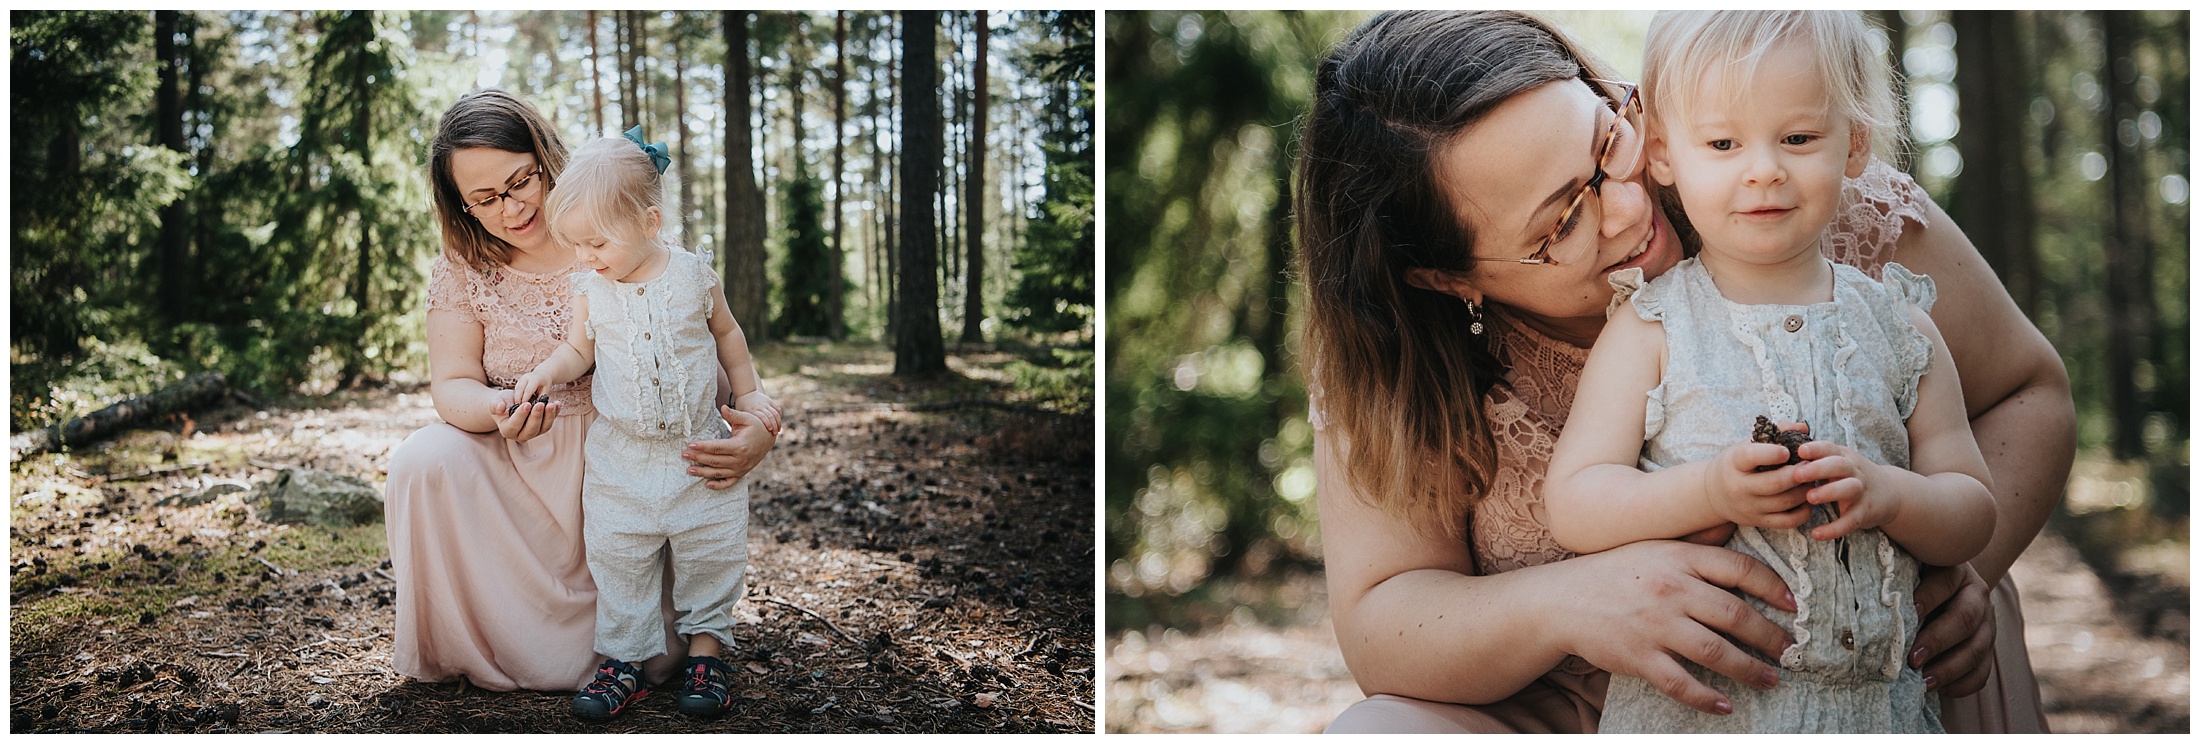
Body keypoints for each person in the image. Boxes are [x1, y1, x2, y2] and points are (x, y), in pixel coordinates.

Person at [1296, 10, 2072, 734]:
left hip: (1879, 666)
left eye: (1608, 140)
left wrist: (1949, 563)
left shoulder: (1799, 193)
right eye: (1563, 221)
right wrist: (1568, 604)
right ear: (1447, 279)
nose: (1630, 205)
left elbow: (2029, 391)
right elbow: (1382, 621)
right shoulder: (1396, 360)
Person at [1541, 11, 1995, 732]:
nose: (1763, 169)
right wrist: (1711, 489)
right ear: (1661, 153)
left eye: (1798, 138)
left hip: (1879, 713)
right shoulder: (1649, 328)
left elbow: (1972, 507)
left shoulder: (1901, 327)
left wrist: (1889, 495)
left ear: (1855, 145)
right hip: (1706, 714)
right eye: (1722, 143)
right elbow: (1577, 501)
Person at [384, 89, 777, 694]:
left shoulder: (615, 232)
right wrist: (498, 407)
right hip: (519, 463)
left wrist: (752, 431)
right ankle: (492, 636)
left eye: (520, 182)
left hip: (631, 459)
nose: (510, 209)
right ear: (461, 206)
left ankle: (659, 644)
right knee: (421, 459)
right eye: (484, 200)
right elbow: (451, 385)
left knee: (654, 589)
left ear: (545, 156)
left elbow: (709, 354)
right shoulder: (463, 268)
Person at [511, 129, 783, 721]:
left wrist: (751, 391)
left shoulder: (692, 276)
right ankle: (625, 661)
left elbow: (727, 336)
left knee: (711, 551)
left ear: (650, 222)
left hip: (698, 451)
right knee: (620, 557)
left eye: (596, 242)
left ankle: (708, 652)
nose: (584, 256)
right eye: (575, 244)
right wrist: (545, 372)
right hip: (621, 459)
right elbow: (577, 352)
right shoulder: (593, 290)